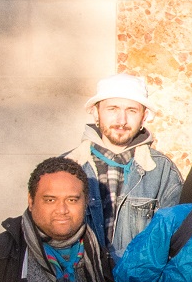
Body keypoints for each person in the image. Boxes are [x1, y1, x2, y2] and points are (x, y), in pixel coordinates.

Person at [65, 74, 184, 259]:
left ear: (144, 117)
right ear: (96, 113)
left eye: (132, 111)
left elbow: (175, 243)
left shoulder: (162, 172)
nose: (122, 120)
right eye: (112, 109)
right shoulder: (66, 167)